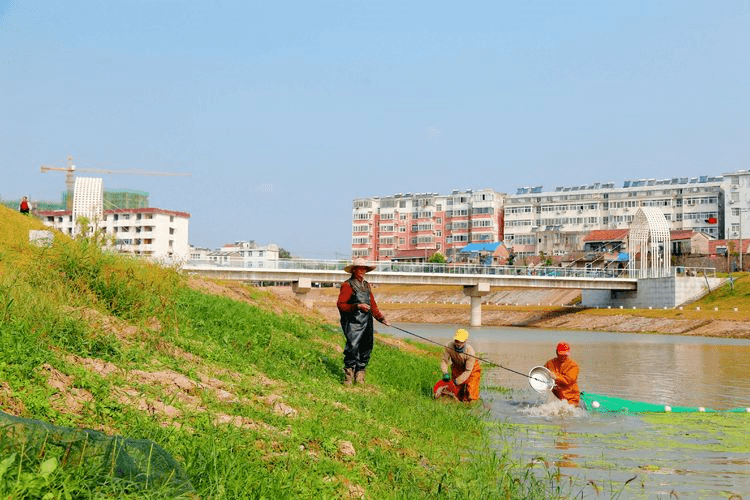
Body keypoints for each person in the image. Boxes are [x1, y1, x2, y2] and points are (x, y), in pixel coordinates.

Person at [336, 258, 389, 385]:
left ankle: (360, 376)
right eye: (359, 268)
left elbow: (373, 305)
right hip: (352, 322)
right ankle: (348, 377)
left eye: (363, 269)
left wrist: (381, 318)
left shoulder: (366, 285)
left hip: (367, 321)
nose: (361, 271)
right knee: (352, 347)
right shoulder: (347, 285)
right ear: (353, 270)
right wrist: (357, 306)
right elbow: (341, 304)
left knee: (367, 346)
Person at [440, 328, 482, 402]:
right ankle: (459, 404)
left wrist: (457, 381)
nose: (458, 344)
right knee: (456, 392)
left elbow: (468, 371)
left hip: (471, 369)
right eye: (457, 341)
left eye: (461, 342)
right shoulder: (449, 346)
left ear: (465, 341)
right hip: (457, 367)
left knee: (471, 393)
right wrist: (445, 372)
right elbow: (444, 361)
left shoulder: (470, 352)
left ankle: (472, 404)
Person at [544, 341, 580, 406]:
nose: (563, 356)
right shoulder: (550, 363)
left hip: (571, 399)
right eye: (561, 354)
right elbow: (542, 374)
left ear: (568, 353)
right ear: (557, 353)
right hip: (556, 397)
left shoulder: (573, 366)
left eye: (565, 355)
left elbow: (569, 380)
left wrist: (556, 377)